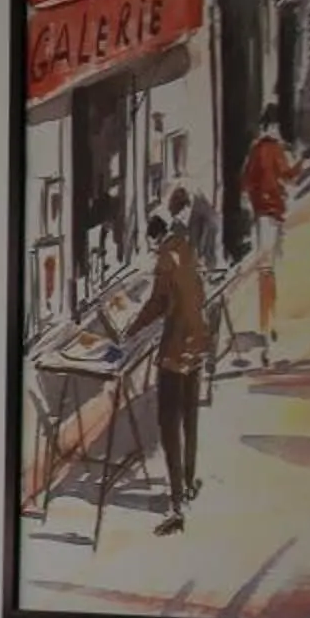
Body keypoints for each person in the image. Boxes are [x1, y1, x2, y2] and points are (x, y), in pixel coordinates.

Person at [119, 210, 211, 535]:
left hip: (175, 353)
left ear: (153, 238)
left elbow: (158, 302)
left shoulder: (164, 259)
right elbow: (195, 293)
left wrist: (130, 330)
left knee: (169, 427)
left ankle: (176, 504)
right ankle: (187, 483)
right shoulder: (186, 249)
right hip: (197, 344)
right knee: (190, 417)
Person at [239, 108, 296, 356]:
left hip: (263, 215)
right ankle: (268, 325)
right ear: (272, 126)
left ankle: (268, 323)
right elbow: (288, 176)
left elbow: (245, 184)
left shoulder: (255, 150)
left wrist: (251, 201)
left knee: (267, 270)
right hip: (272, 214)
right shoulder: (275, 149)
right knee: (269, 271)